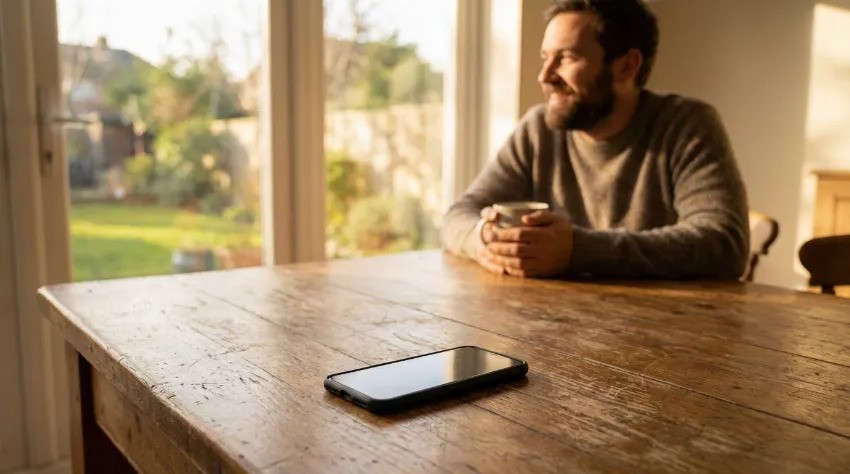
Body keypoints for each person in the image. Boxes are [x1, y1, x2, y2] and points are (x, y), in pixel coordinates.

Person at [441, 0, 749, 279]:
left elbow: (724, 244)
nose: (545, 76)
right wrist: (489, 238)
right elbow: (457, 217)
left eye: (567, 58)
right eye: (546, 58)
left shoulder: (685, 124)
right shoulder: (538, 130)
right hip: (549, 322)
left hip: (662, 329)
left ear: (626, 66)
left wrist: (579, 250)